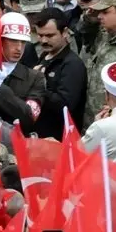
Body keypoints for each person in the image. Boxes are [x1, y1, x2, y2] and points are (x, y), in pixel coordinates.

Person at [0, 12, 46, 134]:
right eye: (13, 41)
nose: (19, 48)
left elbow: (29, 116)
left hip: (15, 144)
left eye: (23, 42)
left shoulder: (35, 78)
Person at [32, 7, 86, 139]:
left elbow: (66, 106)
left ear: (65, 32)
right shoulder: (44, 56)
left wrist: (40, 86)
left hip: (61, 141)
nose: (44, 40)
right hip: (40, 136)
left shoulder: (72, 64)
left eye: (50, 35)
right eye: (40, 35)